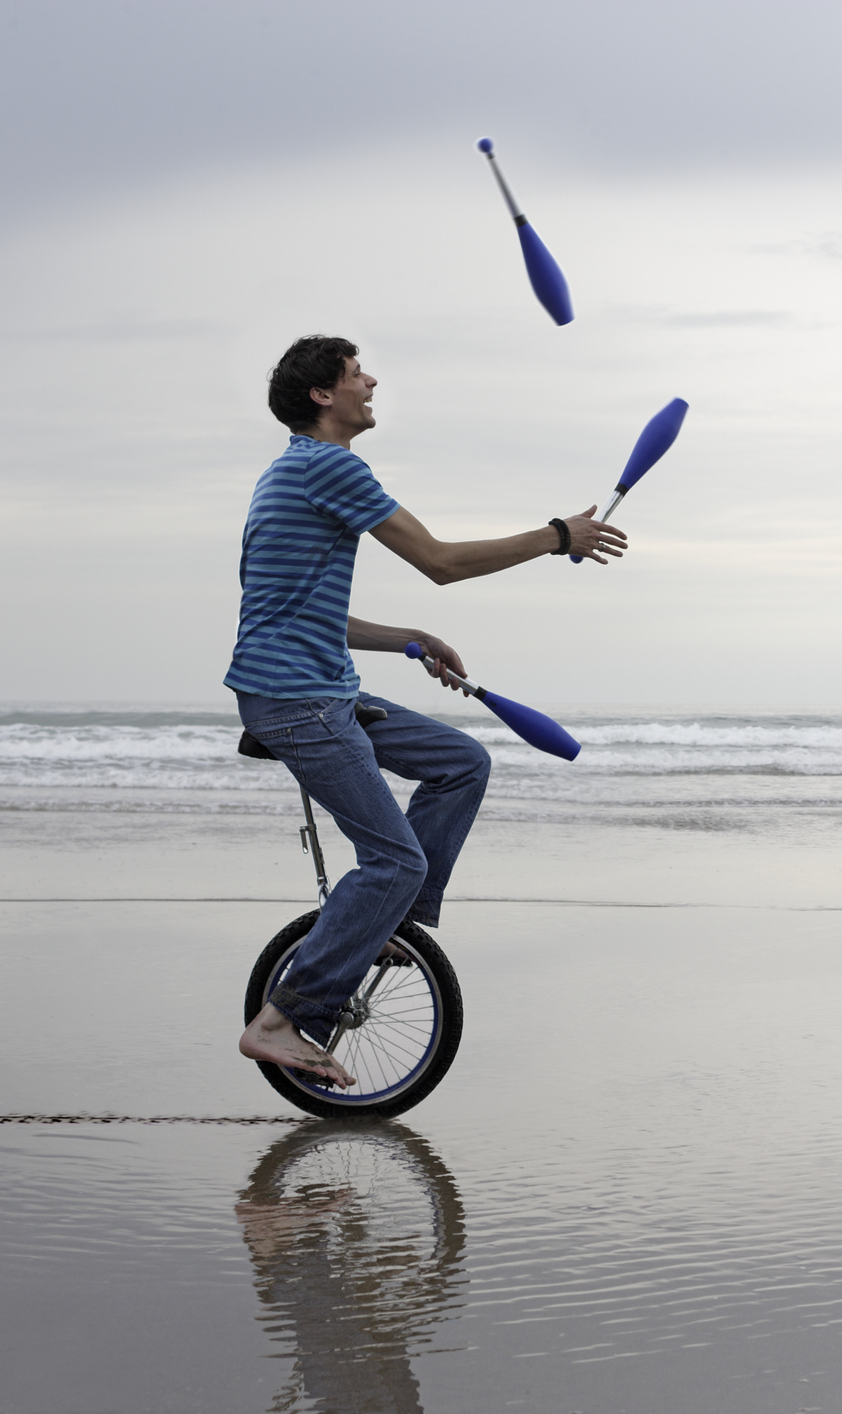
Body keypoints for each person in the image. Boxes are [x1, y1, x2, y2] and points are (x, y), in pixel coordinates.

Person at [230, 335, 625, 1087]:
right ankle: (279, 1021)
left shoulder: (287, 473)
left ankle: (385, 922)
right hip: (295, 699)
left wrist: (406, 638)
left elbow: (297, 613)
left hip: (319, 686)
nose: (370, 381)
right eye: (356, 374)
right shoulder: (327, 466)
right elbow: (440, 562)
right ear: (323, 395)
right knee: (394, 859)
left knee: (460, 762)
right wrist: (554, 537)